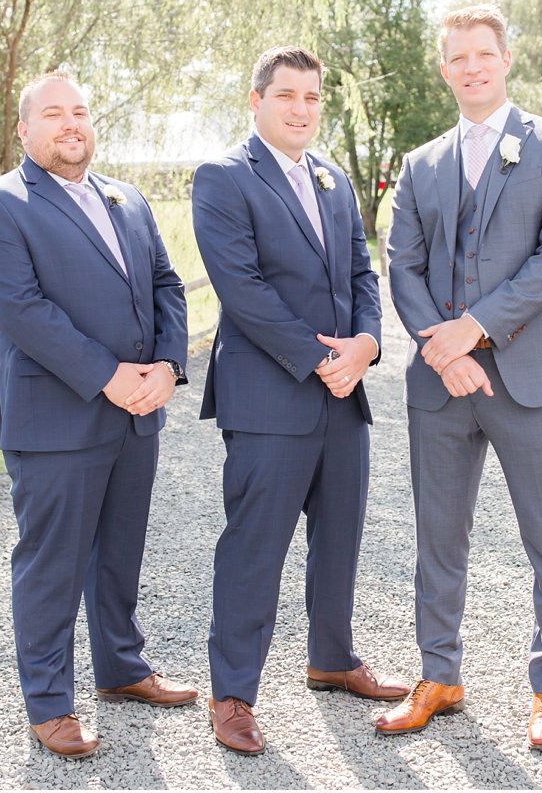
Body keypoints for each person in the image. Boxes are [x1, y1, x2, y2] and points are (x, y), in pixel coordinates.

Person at [0, 71, 196, 761]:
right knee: (52, 564)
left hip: (136, 414)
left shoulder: (128, 198)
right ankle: (51, 704)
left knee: (118, 555)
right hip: (56, 420)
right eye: (54, 114)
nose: (71, 124)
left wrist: (167, 367)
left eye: (81, 112)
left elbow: (165, 284)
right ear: (24, 130)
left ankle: (122, 670)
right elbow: (23, 310)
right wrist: (110, 377)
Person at [380, 4, 542, 749]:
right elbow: (400, 264)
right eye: (457, 57)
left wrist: (475, 330)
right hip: (439, 384)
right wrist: (443, 349)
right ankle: (439, 674)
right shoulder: (422, 163)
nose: (471, 67)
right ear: (444, 68)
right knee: (438, 537)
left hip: (530, 375)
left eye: (483, 54)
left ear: (506, 59)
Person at [191, 46, 408, 756]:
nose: (302, 109)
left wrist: (367, 345)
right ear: (255, 101)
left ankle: (333, 658)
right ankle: (232, 695)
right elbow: (244, 290)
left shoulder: (334, 178)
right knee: (255, 549)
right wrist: (322, 358)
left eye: (313, 97)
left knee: (340, 538)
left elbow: (359, 270)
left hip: (343, 396)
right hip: (270, 396)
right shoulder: (224, 178)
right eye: (287, 96)